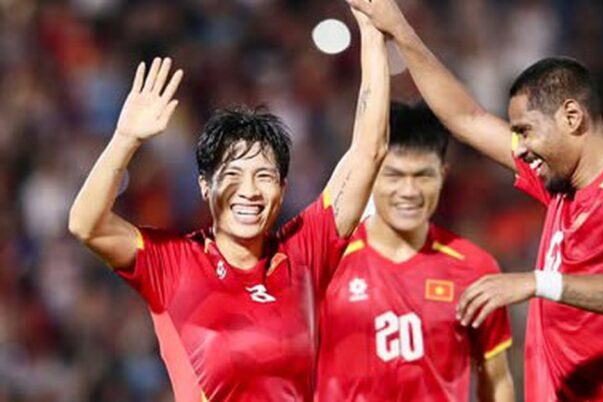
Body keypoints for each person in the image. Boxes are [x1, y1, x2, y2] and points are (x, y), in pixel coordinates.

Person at [346, 1, 603, 400]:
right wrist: (401, 31)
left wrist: (535, 282)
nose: (519, 147)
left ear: (571, 117)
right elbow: (466, 118)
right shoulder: (562, 188)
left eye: (525, 131)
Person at [67, 9, 389, 401]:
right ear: (205, 186)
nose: (249, 191)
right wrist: (125, 139)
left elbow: (369, 151)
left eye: (264, 176)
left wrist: (372, 32)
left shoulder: (303, 253)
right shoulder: (173, 263)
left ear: (283, 189)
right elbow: (86, 225)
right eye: (233, 175)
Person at [316, 102, 515, 401]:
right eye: (394, 176)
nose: (409, 191)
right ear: (371, 175)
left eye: (423, 176)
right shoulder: (327, 262)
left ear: (443, 174)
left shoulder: (475, 269)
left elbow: (497, 380)